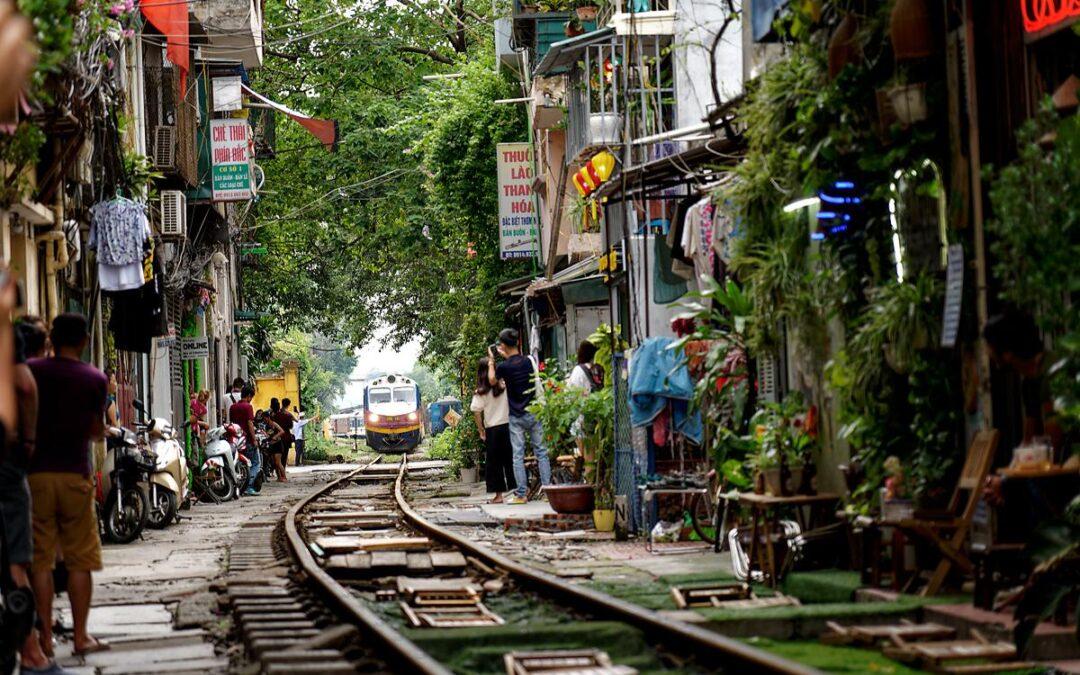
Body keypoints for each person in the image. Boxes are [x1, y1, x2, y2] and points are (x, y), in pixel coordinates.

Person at [27, 313, 108, 658]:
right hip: (75, 474)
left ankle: (44, 639)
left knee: (41, 560)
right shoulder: (94, 378)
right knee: (79, 559)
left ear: (52, 340)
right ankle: (80, 637)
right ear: (85, 341)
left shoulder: (33, 371)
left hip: (37, 476)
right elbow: (95, 429)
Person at [488, 328, 551, 504]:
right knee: (541, 452)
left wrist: (492, 361)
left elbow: (492, 380)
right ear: (517, 343)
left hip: (516, 416)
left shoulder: (504, 367)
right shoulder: (527, 361)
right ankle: (547, 491)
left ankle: (521, 494)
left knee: (517, 455)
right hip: (534, 412)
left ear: (503, 346)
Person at [983, 310, 1061, 447]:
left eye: (989, 346)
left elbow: (1054, 439)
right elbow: (1028, 440)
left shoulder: (1052, 373)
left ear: (1007, 352)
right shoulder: (1029, 381)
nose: (988, 353)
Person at [472, 357, 515, 503]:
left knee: (494, 463)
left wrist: (481, 430)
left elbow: (476, 411)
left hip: (492, 430)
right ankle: (517, 493)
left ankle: (499, 496)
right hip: (508, 425)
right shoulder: (503, 384)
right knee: (510, 460)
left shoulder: (481, 391)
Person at [229, 386, 261, 496]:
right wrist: (254, 439)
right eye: (251, 397)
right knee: (255, 463)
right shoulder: (248, 407)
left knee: (240, 464)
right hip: (247, 439)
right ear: (248, 396)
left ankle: (241, 486)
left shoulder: (232, 407)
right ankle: (249, 486)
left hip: (236, 441)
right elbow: (250, 424)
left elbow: (232, 423)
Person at [269, 398, 292, 482]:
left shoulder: (274, 416)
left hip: (276, 438)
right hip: (286, 437)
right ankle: (283, 475)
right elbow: (290, 426)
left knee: (275, 459)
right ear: (288, 404)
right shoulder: (288, 415)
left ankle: (279, 476)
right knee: (284, 457)